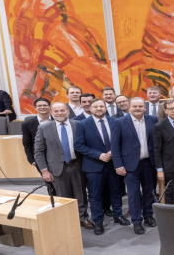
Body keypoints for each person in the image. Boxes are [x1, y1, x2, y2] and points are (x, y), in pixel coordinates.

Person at [34, 102, 92, 229]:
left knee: (80, 194)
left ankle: (83, 218)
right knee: (63, 196)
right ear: (51, 112)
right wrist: (44, 170)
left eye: (62, 110)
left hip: (77, 165)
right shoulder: (44, 128)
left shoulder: (78, 125)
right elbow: (38, 151)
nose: (59, 113)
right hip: (57, 168)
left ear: (68, 111)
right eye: (56, 111)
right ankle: (68, 221)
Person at [74, 98, 128, 235]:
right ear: (90, 109)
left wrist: (113, 152)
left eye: (101, 106)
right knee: (95, 195)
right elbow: (78, 145)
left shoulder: (114, 122)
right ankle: (98, 221)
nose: (99, 109)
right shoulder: (82, 124)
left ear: (105, 108)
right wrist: (99, 155)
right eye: (96, 107)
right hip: (94, 165)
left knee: (116, 192)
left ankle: (118, 215)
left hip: (114, 164)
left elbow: (121, 140)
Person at [111, 97, 158, 235]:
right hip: (129, 165)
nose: (137, 108)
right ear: (129, 108)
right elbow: (115, 146)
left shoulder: (152, 120)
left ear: (145, 107)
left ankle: (148, 216)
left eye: (140, 106)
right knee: (133, 194)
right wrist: (118, 165)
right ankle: (137, 221)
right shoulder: (119, 122)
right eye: (135, 106)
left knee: (149, 191)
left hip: (148, 163)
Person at [22, 97, 52, 170]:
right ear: (35, 108)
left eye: (45, 105)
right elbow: (27, 143)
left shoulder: (57, 120)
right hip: (40, 157)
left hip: (57, 157)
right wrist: (31, 159)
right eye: (39, 106)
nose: (42, 107)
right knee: (48, 179)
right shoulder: (27, 124)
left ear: (49, 107)